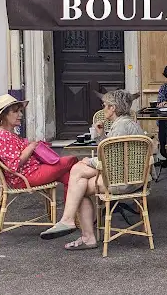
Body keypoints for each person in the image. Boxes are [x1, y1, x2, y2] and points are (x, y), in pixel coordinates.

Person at [39, 90, 146, 249]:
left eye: (105, 106)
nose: (103, 109)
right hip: (131, 176)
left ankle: (76, 227)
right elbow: (113, 153)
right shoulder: (128, 123)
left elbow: (111, 160)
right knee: (78, 183)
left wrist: (90, 161)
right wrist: (101, 135)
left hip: (122, 180)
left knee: (77, 181)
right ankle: (72, 224)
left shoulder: (121, 127)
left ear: (113, 108)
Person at [0, 94, 77, 191]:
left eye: (20, 111)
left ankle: (73, 205)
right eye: (16, 111)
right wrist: (31, 147)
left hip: (32, 171)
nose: (21, 115)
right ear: (3, 115)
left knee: (71, 179)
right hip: (25, 177)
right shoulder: (2, 136)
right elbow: (14, 164)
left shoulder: (8, 133)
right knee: (71, 160)